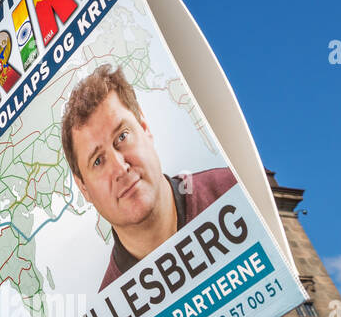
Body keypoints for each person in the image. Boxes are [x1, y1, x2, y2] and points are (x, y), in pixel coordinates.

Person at [60, 65, 237, 292]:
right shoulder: (112, 313)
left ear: (145, 128)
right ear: (83, 188)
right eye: (97, 161)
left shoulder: (235, 191)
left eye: (122, 136)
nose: (120, 167)